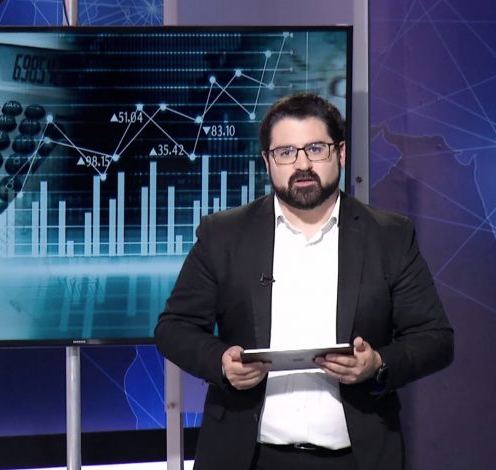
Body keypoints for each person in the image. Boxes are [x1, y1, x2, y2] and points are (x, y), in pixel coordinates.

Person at [154, 92, 454, 470]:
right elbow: (174, 328)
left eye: (315, 149)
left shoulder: (389, 236)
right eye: (285, 153)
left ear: (340, 153)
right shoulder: (224, 234)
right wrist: (222, 362)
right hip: (247, 458)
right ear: (267, 161)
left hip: (356, 459)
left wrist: (378, 363)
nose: (302, 164)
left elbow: (435, 339)